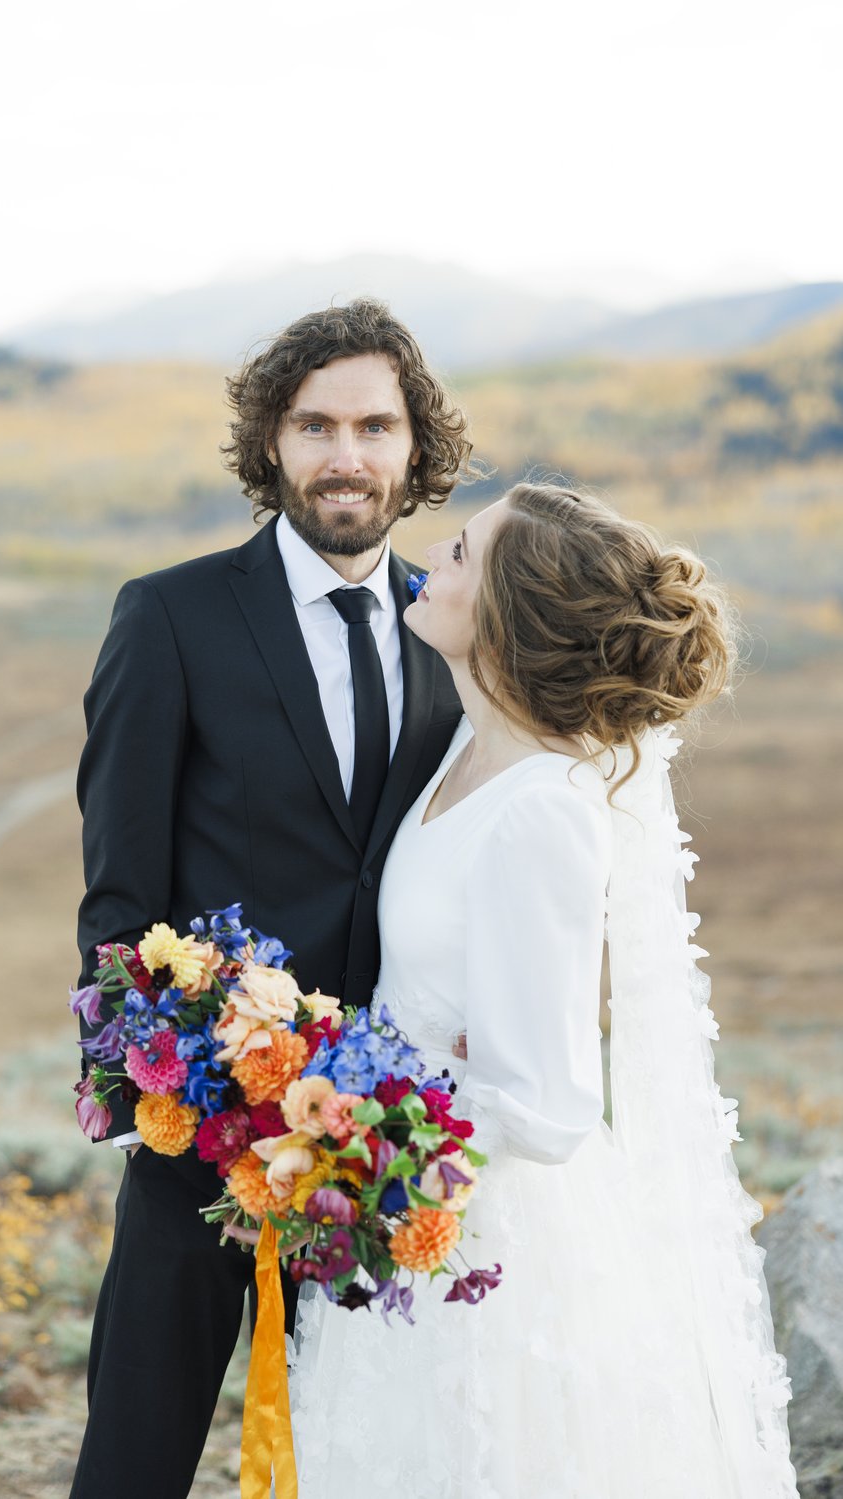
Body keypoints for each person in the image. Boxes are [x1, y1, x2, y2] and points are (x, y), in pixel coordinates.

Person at [289, 483, 799, 1497]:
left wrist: (364, 1109)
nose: (434, 548)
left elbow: (548, 1107)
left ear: (511, 611)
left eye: (467, 550)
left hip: (487, 1259)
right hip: (406, 1227)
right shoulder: (460, 753)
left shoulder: (542, 811)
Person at [68, 298, 476, 1498]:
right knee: (134, 1458)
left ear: (414, 449)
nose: (345, 454)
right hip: (205, 1136)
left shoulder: (447, 633)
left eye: (373, 425)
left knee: (343, 1460)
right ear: (271, 445)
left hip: (378, 1152)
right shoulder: (171, 615)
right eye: (314, 424)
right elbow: (118, 888)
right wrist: (154, 1084)